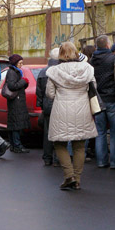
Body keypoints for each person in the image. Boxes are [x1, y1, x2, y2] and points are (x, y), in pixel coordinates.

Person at [44, 43, 98, 190]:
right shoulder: (87, 69)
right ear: (76, 52)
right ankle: (78, 179)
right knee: (79, 145)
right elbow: (94, 88)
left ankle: (69, 176)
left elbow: (50, 94)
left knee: (59, 143)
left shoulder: (54, 71)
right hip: (82, 109)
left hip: (61, 110)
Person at [3, 54, 31, 153]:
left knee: (14, 123)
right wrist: (23, 81)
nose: (21, 65)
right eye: (20, 63)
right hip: (16, 101)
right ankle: (17, 145)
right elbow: (12, 86)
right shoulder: (12, 72)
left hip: (17, 100)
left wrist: (24, 83)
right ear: (15, 63)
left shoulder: (16, 71)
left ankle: (13, 145)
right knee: (16, 124)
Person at [37, 49, 59, 165]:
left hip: (47, 106)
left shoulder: (42, 72)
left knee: (47, 133)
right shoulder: (61, 71)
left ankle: (47, 157)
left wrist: (41, 105)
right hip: (59, 105)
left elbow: (39, 92)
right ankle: (57, 158)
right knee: (59, 133)